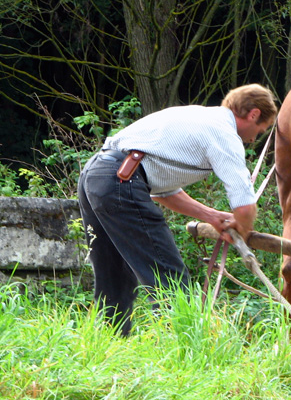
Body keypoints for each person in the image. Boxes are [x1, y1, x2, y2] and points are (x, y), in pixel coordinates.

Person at [77, 84, 277, 335]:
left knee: (113, 272)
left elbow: (164, 192)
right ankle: (182, 347)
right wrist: (242, 230)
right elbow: (244, 205)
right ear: (254, 114)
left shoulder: (199, 117)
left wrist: (213, 217)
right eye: (261, 130)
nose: (253, 138)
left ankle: (108, 342)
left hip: (97, 175)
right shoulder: (223, 133)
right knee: (168, 273)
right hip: (121, 180)